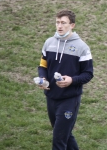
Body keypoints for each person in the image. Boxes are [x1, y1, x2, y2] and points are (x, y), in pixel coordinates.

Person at [37, 9, 94, 150]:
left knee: (58, 140)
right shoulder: (49, 43)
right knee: (65, 136)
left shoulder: (82, 47)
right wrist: (42, 78)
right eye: (57, 22)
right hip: (51, 96)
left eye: (63, 23)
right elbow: (42, 65)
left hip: (69, 100)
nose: (59, 26)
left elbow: (88, 74)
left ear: (72, 25)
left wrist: (72, 80)